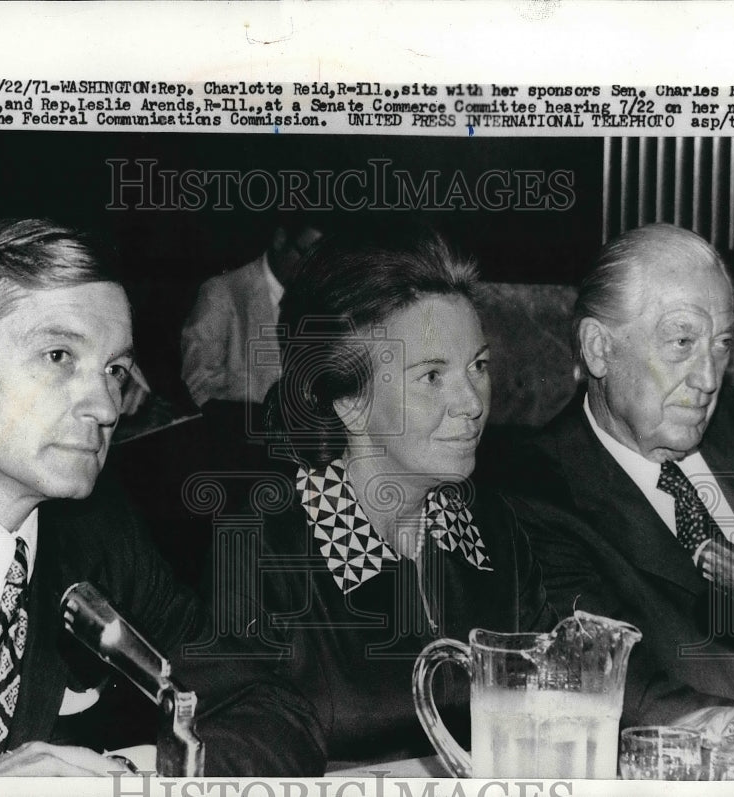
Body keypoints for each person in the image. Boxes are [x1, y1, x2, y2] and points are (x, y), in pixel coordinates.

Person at [0, 219, 326, 776]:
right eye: (59, 356)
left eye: (116, 370)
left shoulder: (95, 526)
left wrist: (127, 775)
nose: (106, 406)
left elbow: (279, 713)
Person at [207, 228, 554, 764]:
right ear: (348, 401)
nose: (471, 402)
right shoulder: (261, 551)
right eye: (432, 376)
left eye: (478, 366)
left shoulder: (496, 532)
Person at [502, 223, 734, 728]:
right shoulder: (536, 495)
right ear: (598, 349)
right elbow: (622, 693)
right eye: (682, 341)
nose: (708, 378)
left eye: (721, 343)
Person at [180, 218, 322, 406]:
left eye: (320, 260)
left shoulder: (318, 299)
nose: (313, 268)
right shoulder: (222, 293)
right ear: (280, 239)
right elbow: (197, 384)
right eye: (305, 255)